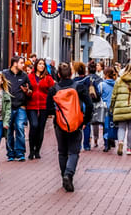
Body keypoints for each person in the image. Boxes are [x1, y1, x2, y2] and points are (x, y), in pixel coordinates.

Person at [46, 62, 93, 192]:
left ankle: (64, 177)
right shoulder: (79, 87)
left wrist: (57, 115)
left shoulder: (54, 89)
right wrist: (84, 121)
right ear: (72, 74)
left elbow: (49, 109)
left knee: (62, 152)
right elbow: (89, 105)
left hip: (60, 124)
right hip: (76, 123)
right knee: (74, 151)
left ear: (58, 74)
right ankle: (69, 174)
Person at [110, 62, 131, 156]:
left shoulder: (119, 80)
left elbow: (114, 95)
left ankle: (120, 142)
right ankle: (129, 148)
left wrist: (112, 107)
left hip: (120, 106)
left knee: (121, 127)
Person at [3, 56, 32, 162]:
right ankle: (10, 153)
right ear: (15, 63)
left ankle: (20, 152)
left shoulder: (24, 76)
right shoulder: (5, 74)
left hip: (20, 106)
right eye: (21, 63)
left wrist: (27, 91)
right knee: (9, 129)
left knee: (20, 127)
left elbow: (30, 91)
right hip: (8, 106)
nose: (23, 65)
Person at [25, 58, 54, 160]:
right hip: (31, 105)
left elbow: (53, 90)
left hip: (43, 106)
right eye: (40, 64)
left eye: (43, 64)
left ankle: (37, 150)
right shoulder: (30, 76)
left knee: (41, 128)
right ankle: (31, 150)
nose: (41, 66)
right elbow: (25, 87)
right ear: (36, 65)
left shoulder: (48, 78)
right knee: (34, 125)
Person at [99, 66, 117, 152]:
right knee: (113, 124)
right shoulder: (117, 84)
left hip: (105, 107)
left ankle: (106, 144)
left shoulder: (102, 85)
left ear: (106, 75)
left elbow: (98, 94)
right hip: (115, 107)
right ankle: (112, 140)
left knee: (106, 125)